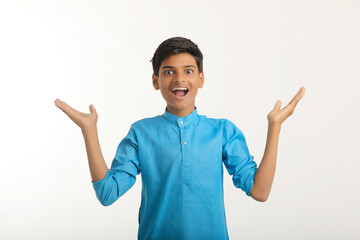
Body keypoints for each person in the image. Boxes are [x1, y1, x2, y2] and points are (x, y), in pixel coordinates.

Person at [54, 36, 306, 240]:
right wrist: (89, 130)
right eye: (168, 72)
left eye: (188, 70)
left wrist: (275, 127)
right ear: (156, 81)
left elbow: (260, 191)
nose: (179, 79)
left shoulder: (223, 132)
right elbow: (107, 193)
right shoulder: (141, 133)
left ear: (201, 78)